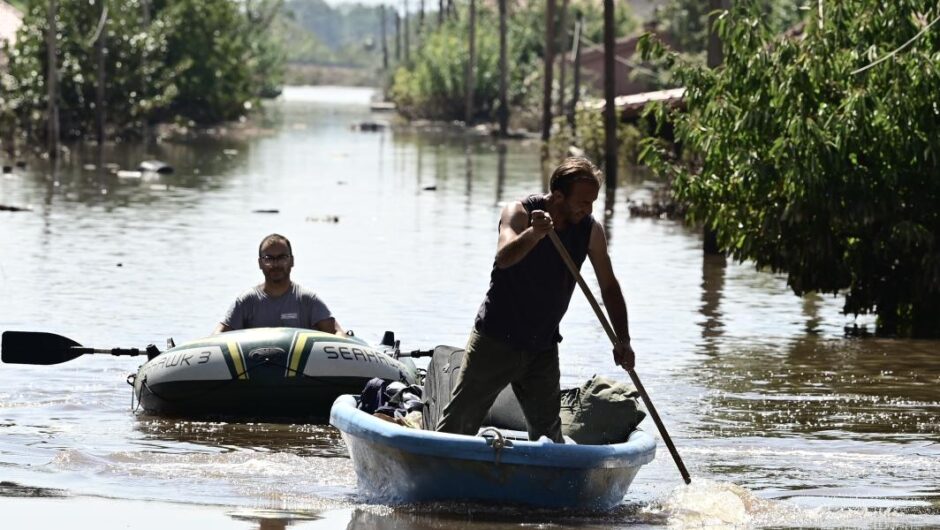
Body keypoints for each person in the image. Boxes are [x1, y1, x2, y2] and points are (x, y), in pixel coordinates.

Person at [436, 157, 635, 443]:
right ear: (558, 196)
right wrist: (534, 234)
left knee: (549, 439)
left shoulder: (591, 231)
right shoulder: (518, 212)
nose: (588, 210)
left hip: (542, 346)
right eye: (582, 202)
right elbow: (504, 258)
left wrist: (623, 339)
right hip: (496, 339)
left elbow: (609, 287)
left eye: (592, 202)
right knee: (457, 426)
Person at [213, 234, 345, 335]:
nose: (275, 264)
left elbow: (338, 333)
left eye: (282, 258)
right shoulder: (246, 301)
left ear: (292, 261)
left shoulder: (307, 300)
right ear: (260, 263)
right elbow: (217, 335)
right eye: (269, 259)